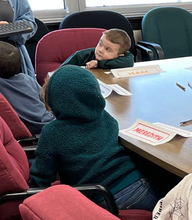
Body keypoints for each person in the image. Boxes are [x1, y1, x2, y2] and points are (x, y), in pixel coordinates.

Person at [29, 65, 159, 211]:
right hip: (140, 184)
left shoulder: (51, 132)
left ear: (54, 100)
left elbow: (41, 178)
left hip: (104, 198)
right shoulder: (106, 117)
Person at [61, 28, 134, 69]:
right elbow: (60, 71)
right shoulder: (82, 55)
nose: (100, 50)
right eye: (100, 44)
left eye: (107, 49)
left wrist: (98, 64)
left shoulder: (124, 57)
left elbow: (130, 62)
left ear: (120, 55)